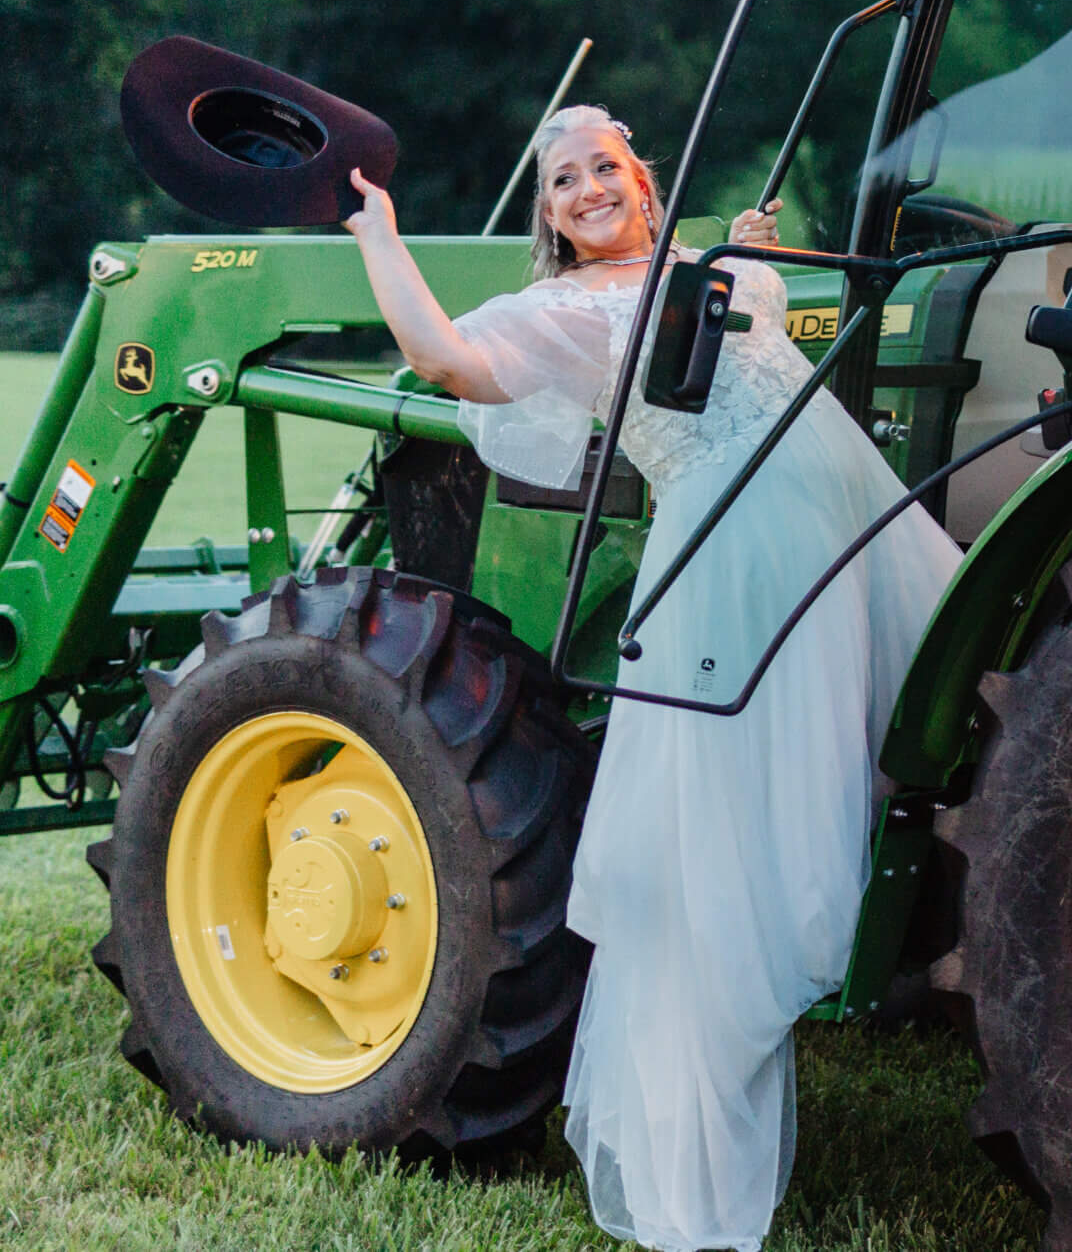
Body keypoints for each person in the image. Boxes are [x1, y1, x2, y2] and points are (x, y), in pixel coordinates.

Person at [343, 106, 959, 1252]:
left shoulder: (706, 268)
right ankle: (700, 1129)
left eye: (603, 166)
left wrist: (756, 251)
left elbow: (760, 336)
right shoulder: (565, 312)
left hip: (852, 538)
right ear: (550, 215)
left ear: (641, 174)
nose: (587, 187)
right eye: (562, 179)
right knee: (722, 852)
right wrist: (379, 234)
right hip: (736, 565)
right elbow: (444, 360)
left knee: (898, 745)